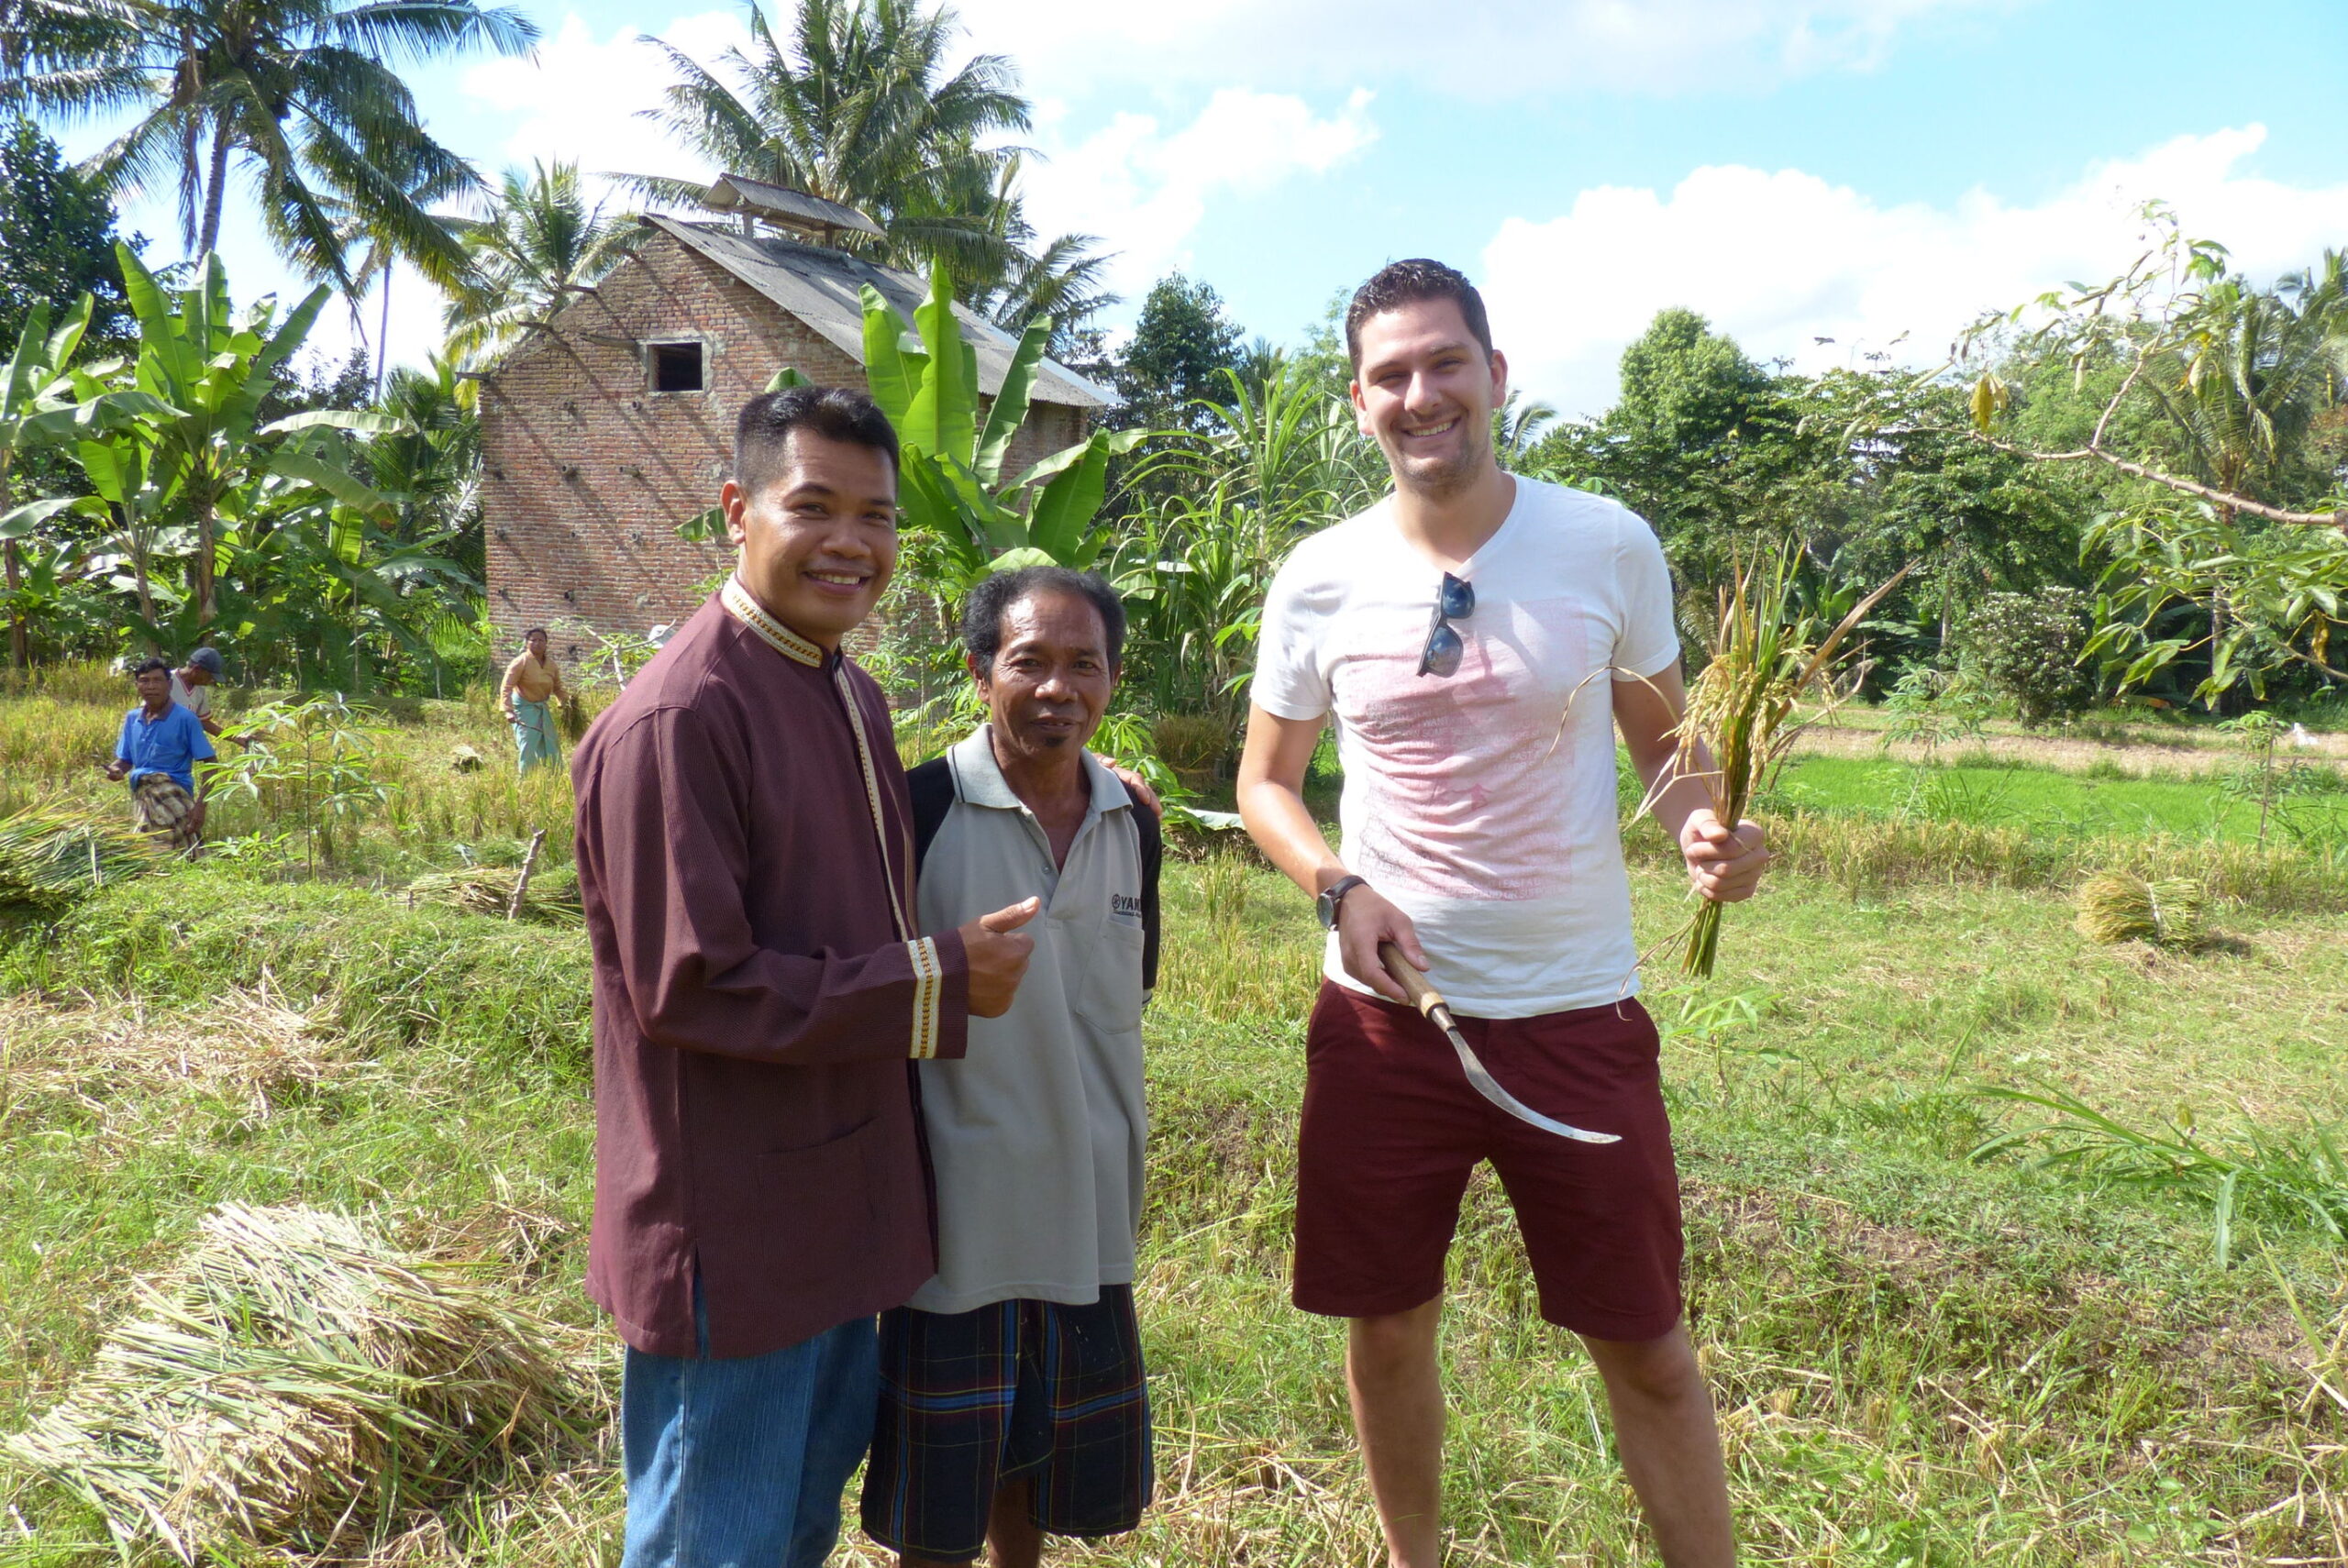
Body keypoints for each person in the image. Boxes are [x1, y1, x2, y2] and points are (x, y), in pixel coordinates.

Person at [1235, 259, 1771, 1568]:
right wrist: (1336, 885)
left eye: (1445, 364)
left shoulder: (1605, 542)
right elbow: (1264, 783)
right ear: (1358, 402)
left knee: (1644, 1340)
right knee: (1389, 1319)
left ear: (1496, 375)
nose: (1422, 395)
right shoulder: (1319, 575)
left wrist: (1713, 826)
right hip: (1386, 1024)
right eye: (1391, 376)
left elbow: (1669, 749)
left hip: (1574, 1013)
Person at [570, 384, 1045, 1568]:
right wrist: (933, 980)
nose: (852, 542)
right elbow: (695, 984)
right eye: (814, 505)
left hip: (838, 1200)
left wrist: (1080, 789)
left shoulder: (844, 685)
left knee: (792, 1522)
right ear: (738, 509)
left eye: (877, 516)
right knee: (713, 1536)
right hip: (732, 1221)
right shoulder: (681, 718)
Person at [862, 566, 1162, 1568]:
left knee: (1036, 1473)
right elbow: (870, 999)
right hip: (961, 1218)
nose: (1058, 689)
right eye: (1029, 662)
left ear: (1114, 679)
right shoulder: (917, 809)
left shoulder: (1135, 821)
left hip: (1089, 1210)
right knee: (943, 1500)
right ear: (979, 670)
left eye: (1086, 665)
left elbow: (1124, 995)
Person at [106, 656, 216, 853]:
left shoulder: (186, 718)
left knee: (159, 851)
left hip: (173, 797)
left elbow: (211, 763)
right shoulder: (133, 719)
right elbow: (125, 760)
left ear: (169, 684)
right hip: (143, 794)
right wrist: (116, 770)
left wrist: (201, 806)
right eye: (145, 681)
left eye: (157, 680)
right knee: (151, 852)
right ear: (137, 685)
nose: (151, 686)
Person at [501, 626, 569, 773]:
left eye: (541, 640)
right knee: (528, 744)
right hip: (524, 709)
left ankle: (553, 776)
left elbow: (557, 686)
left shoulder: (551, 664)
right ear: (527, 643)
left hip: (542, 708)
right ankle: (525, 779)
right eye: (533, 640)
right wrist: (508, 711)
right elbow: (506, 686)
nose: (537, 643)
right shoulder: (521, 661)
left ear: (546, 643)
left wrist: (565, 702)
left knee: (551, 743)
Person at [170, 646, 227, 738]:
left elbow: (203, 722)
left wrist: (236, 738)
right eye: (209, 677)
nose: (211, 681)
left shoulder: (200, 689)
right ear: (196, 669)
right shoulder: (164, 681)